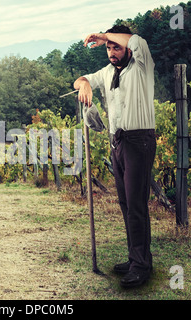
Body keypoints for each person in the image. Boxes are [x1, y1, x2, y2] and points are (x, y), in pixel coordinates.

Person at [74, 25, 156, 288]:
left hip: (139, 141)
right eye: (108, 48)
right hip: (117, 142)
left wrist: (103, 35)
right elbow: (79, 80)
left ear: (127, 47)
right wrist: (84, 84)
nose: (111, 51)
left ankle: (141, 266)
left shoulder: (142, 64)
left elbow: (137, 40)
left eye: (115, 46)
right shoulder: (108, 72)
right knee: (125, 204)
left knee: (136, 206)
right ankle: (136, 258)